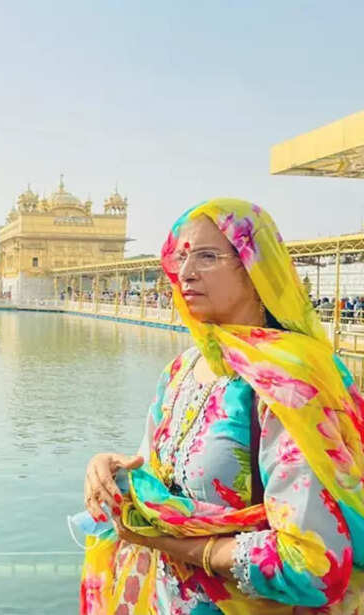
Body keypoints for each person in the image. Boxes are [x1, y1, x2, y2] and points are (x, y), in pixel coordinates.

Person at [79, 199, 364, 613]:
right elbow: (156, 474)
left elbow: (313, 565)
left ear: (254, 268)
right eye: (182, 256)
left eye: (208, 256)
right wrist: (109, 467)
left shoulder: (289, 383)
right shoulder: (182, 369)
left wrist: (173, 543)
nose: (186, 273)